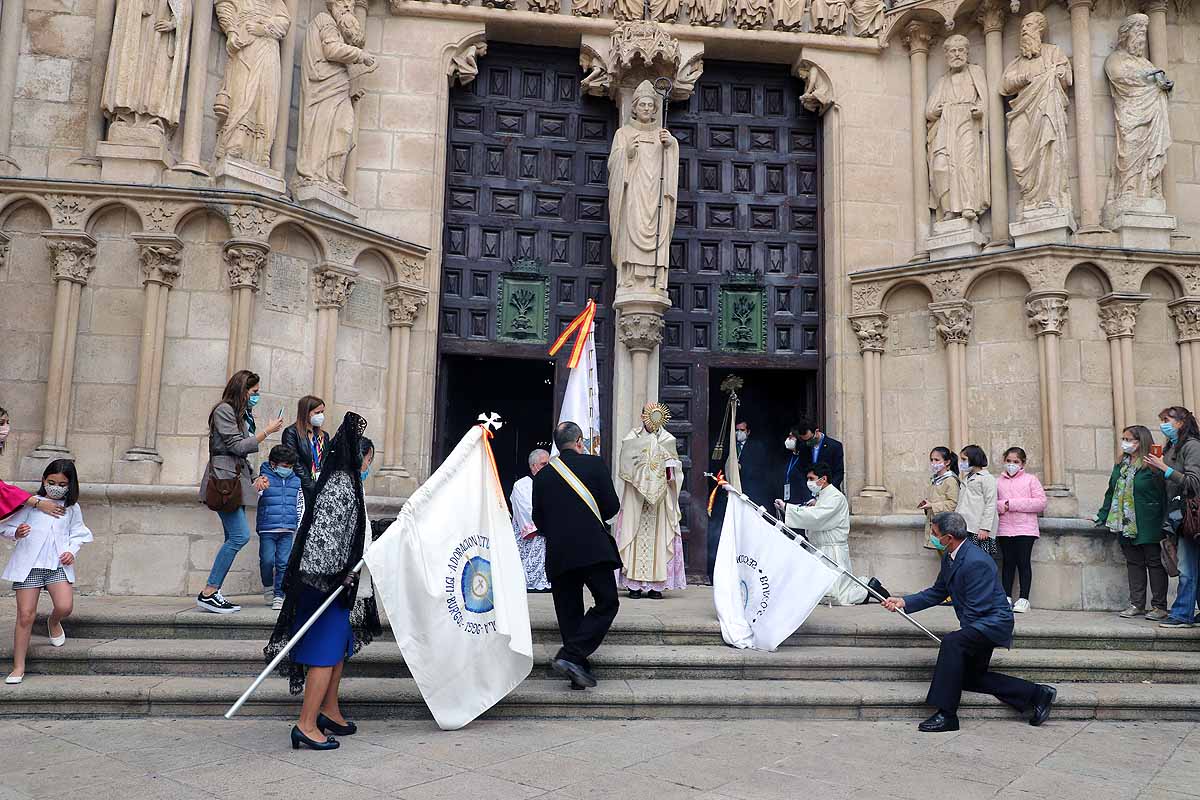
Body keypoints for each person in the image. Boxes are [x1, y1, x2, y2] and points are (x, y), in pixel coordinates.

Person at [265, 413, 381, 751]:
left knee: (339, 647)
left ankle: (328, 710)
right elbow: (325, 538)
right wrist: (337, 576)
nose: (368, 465)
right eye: (369, 460)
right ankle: (306, 724)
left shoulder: (348, 482)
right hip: (324, 584)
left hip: (335, 582)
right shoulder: (340, 484)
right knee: (324, 652)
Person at [883, 512, 1056, 732]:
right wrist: (903, 602)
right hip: (979, 622)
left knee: (953, 643)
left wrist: (962, 641)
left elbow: (979, 607)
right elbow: (938, 592)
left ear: (948, 537)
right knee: (969, 677)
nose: (932, 536)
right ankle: (1038, 694)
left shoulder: (976, 561)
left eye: (935, 533)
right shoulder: (951, 555)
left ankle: (947, 715)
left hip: (992, 623)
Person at [532, 421, 622, 690]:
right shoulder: (595, 465)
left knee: (569, 614)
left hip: (559, 554)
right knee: (607, 603)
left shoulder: (544, 475)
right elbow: (611, 508)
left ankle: (576, 669)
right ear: (580, 441)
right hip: (593, 549)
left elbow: (539, 520)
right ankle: (571, 657)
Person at [197, 370, 284, 614]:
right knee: (239, 536)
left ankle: (213, 592)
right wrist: (266, 431)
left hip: (235, 482)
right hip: (224, 483)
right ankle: (209, 592)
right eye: (254, 392)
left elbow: (240, 454)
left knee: (232, 537)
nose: (257, 397)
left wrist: (255, 478)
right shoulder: (224, 410)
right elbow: (236, 446)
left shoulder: (240, 415)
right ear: (243, 390)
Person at [1, 460, 92, 684]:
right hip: (29, 567)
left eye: (61, 484)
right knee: (25, 616)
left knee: (64, 606)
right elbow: (5, 526)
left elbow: (78, 533)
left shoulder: (72, 508)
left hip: (57, 566)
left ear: (70, 485)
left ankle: (53, 622)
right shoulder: (30, 503)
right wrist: (17, 532)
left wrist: (71, 551)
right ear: (43, 480)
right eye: (51, 482)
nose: (55, 487)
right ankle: (18, 666)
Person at [775, 462, 889, 606]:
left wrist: (788, 508)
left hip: (832, 550)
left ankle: (869, 588)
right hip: (820, 549)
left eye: (811, 478)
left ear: (823, 479)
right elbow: (815, 514)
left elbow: (817, 517)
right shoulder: (822, 496)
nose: (808, 482)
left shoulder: (835, 497)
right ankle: (865, 587)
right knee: (821, 593)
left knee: (837, 596)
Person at [1096, 426, 1168, 621]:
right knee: (1134, 563)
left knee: (1154, 563)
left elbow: (1163, 492)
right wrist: (1101, 515)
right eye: (1124, 438)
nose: (1125, 443)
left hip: (1149, 522)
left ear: (1140, 442)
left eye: (1129, 439)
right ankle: (1137, 604)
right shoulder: (1122, 464)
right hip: (1124, 522)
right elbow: (1111, 491)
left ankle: (1159, 606)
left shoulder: (1152, 464)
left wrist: (1166, 521)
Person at [615, 402, 685, 599]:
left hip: (659, 501)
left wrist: (670, 467)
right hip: (637, 498)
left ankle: (656, 586)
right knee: (634, 534)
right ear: (642, 416)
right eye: (647, 415)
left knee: (659, 539)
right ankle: (634, 586)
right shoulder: (632, 437)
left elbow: (675, 469)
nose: (651, 420)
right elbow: (625, 461)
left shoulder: (667, 439)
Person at [1144, 406, 1200, 628]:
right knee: (1191, 565)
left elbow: (1194, 483)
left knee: (1186, 567)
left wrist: (1164, 468)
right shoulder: (1172, 447)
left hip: (1191, 515)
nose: (1163, 424)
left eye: (1166, 420)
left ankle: (1182, 614)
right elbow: (1170, 485)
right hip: (1177, 516)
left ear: (1181, 422)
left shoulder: (1192, 446)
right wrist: (1157, 470)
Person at [995, 447, 1047, 613]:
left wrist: (1012, 504)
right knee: (1008, 562)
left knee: (1023, 562)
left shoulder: (1031, 480)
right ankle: (1006, 596)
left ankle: (1024, 598)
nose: (1011, 465)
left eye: (1015, 462)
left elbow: (1040, 503)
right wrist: (1003, 506)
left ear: (1022, 463)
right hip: (1004, 528)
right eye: (1009, 461)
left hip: (1025, 528)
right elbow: (991, 503)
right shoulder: (998, 481)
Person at [256, 444, 302, 611]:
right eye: (284, 466)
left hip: (288, 529)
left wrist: (297, 521)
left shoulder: (296, 480)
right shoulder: (263, 478)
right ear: (273, 464)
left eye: (290, 467)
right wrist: (257, 485)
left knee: (283, 563)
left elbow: (299, 503)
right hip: (267, 527)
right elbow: (255, 492)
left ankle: (279, 595)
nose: (287, 469)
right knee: (267, 560)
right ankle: (268, 586)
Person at [510, 448, 552, 592]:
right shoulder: (521, 485)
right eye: (543, 464)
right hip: (532, 534)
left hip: (549, 531)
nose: (548, 467)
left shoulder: (552, 483)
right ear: (533, 466)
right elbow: (526, 511)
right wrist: (547, 524)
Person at [282, 395, 330, 504]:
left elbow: (326, 459)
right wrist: (310, 484)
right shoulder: (291, 432)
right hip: (301, 486)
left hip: (321, 484)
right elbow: (294, 462)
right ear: (306, 413)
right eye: (317, 413)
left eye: (322, 412)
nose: (321, 416)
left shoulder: (324, 435)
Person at [957, 445, 998, 558]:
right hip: (965, 527)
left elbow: (991, 504)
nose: (961, 463)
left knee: (979, 559)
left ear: (973, 458)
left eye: (964, 459)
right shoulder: (966, 478)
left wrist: (985, 528)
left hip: (978, 529)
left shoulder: (986, 478)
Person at [920, 446, 959, 547]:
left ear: (947, 462)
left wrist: (932, 506)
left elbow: (952, 504)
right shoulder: (934, 479)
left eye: (937, 460)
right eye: (932, 460)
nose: (933, 463)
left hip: (946, 527)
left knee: (948, 557)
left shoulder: (950, 480)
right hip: (935, 525)